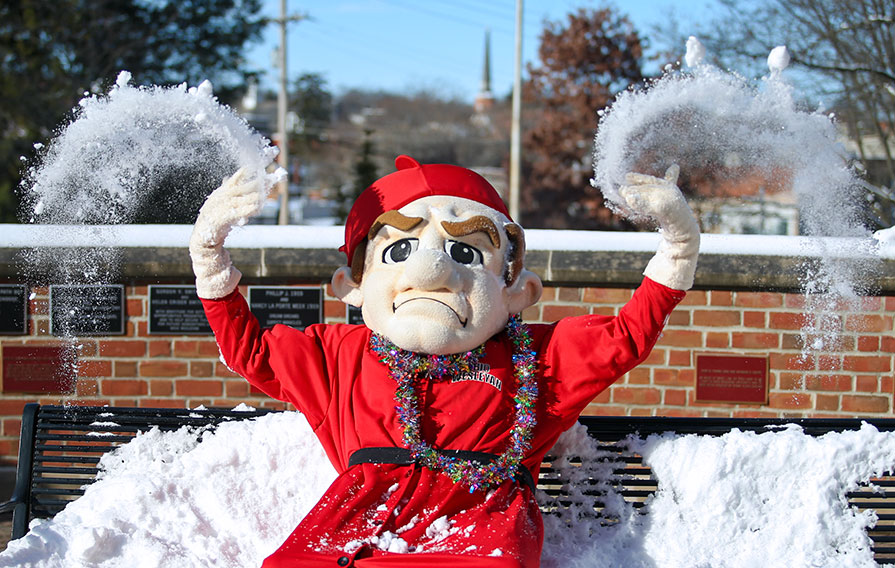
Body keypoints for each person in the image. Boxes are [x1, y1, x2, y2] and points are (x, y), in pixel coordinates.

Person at [189, 155, 699, 567]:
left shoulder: (536, 361)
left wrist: (677, 248)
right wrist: (209, 253)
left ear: (517, 291)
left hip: (477, 538)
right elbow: (252, 352)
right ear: (354, 286)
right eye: (399, 250)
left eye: (468, 253)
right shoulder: (339, 357)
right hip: (349, 534)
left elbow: (624, 337)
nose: (430, 268)